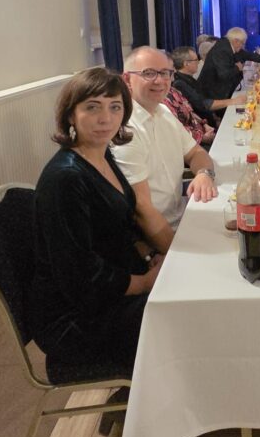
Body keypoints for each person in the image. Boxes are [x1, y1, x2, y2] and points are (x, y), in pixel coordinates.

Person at [29, 67, 164, 376]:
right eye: (92, 107)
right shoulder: (65, 178)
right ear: (71, 115)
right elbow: (79, 274)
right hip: (75, 318)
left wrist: (149, 256)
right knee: (181, 315)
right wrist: (144, 283)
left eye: (115, 107)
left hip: (108, 290)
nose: (106, 118)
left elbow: (118, 228)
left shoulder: (101, 156)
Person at [113, 47, 217, 249]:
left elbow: (196, 153)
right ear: (127, 79)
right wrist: (173, 252)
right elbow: (142, 209)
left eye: (165, 73)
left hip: (184, 215)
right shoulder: (125, 129)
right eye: (149, 73)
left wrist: (204, 174)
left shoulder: (163, 111)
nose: (160, 81)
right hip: (159, 236)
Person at [171, 46, 244, 123]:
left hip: (211, 119)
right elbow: (202, 104)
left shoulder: (188, 78)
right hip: (204, 125)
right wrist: (233, 101)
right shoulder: (179, 84)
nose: (198, 62)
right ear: (186, 64)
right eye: (196, 60)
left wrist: (215, 117)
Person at [197, 27, 260, 103]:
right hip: (210, 95)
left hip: (216, 91)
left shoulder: (227, 45)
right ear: (236, 41)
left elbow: (248, 55)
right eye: (242, 43)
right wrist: (237, 68)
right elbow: (224, 75)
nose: (243, 46)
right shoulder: (222, 51)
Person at [163, 83, 216, 147]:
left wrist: (204, 124)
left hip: (202, 134)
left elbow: (190, 112)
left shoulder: (171, 90)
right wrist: (202, 138)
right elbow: (178, 131)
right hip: (191, 146)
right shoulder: (160, 104)